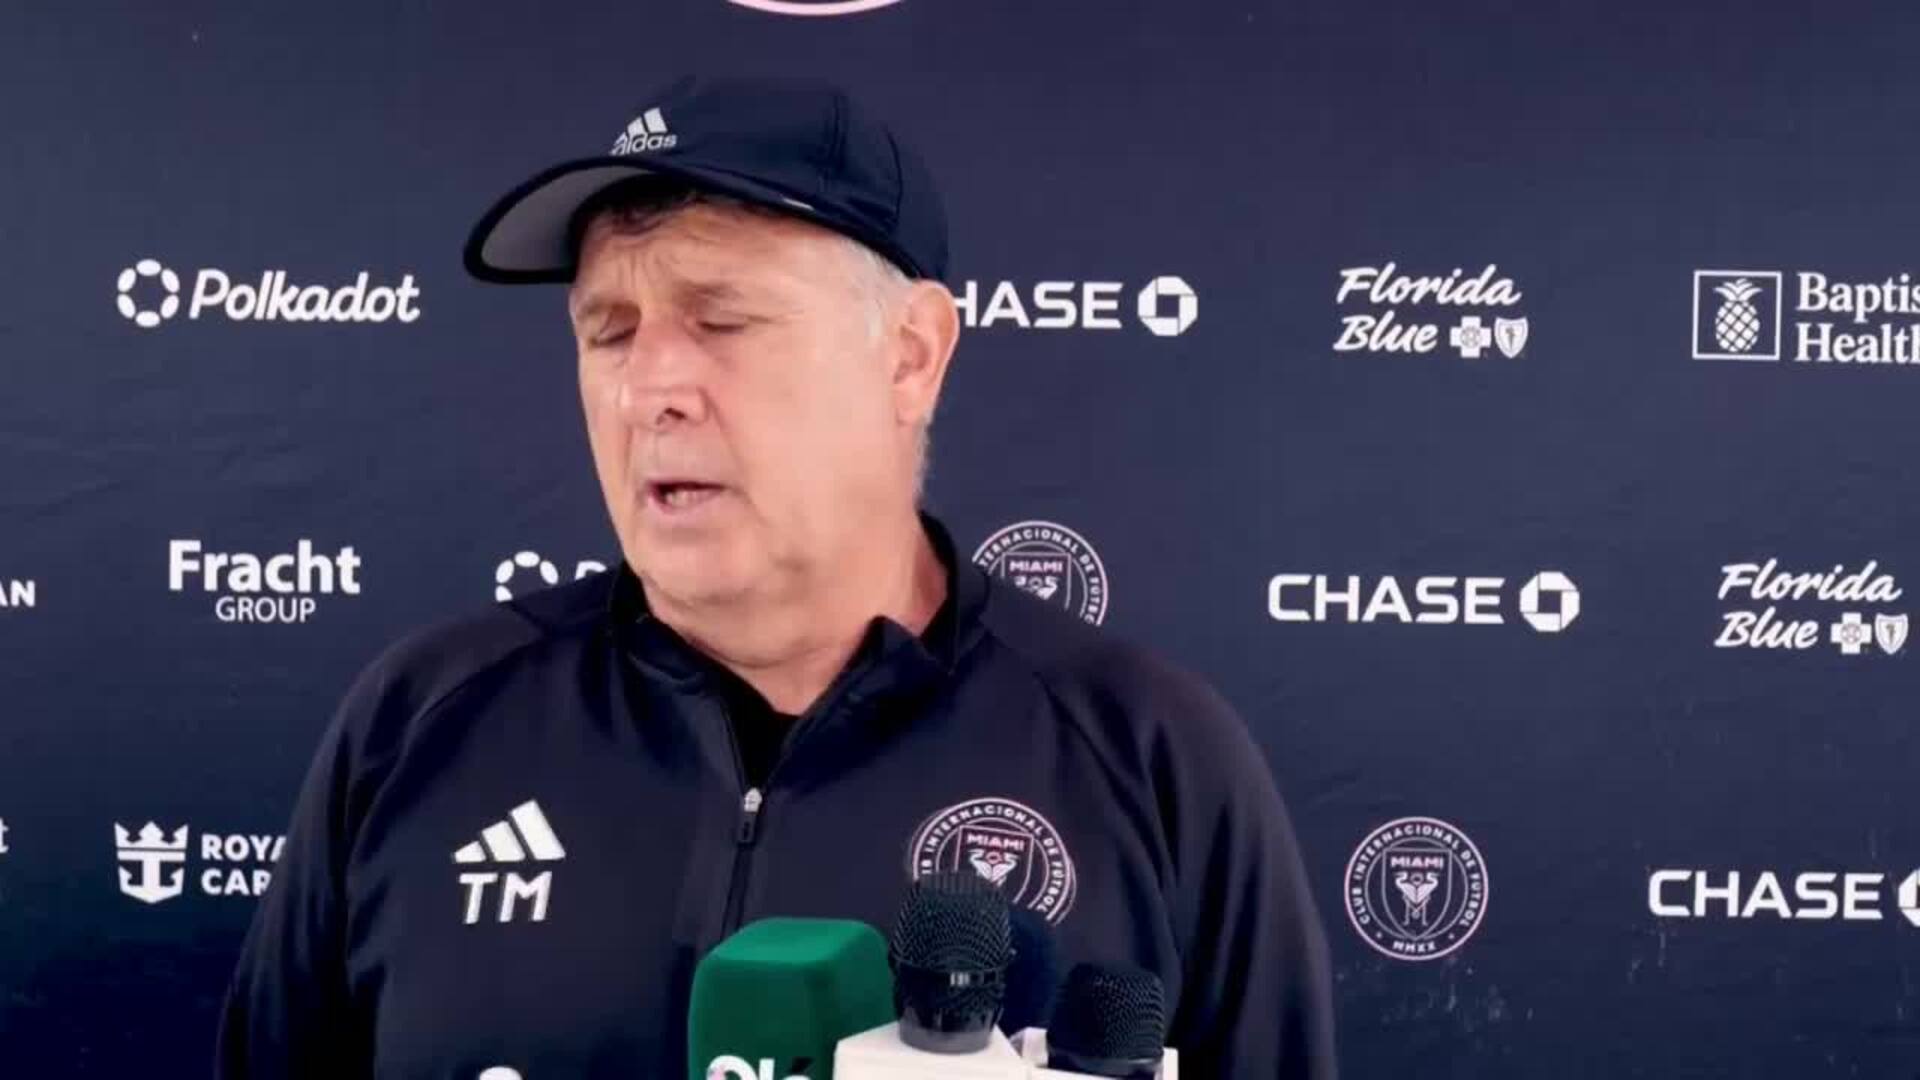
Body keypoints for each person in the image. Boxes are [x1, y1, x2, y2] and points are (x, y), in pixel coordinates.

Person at [216, 75, 1336, 1079]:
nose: (648, 389)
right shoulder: (420, 727)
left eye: (722, 320)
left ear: (911, 357)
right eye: (609, 331)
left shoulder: (1148, 761)